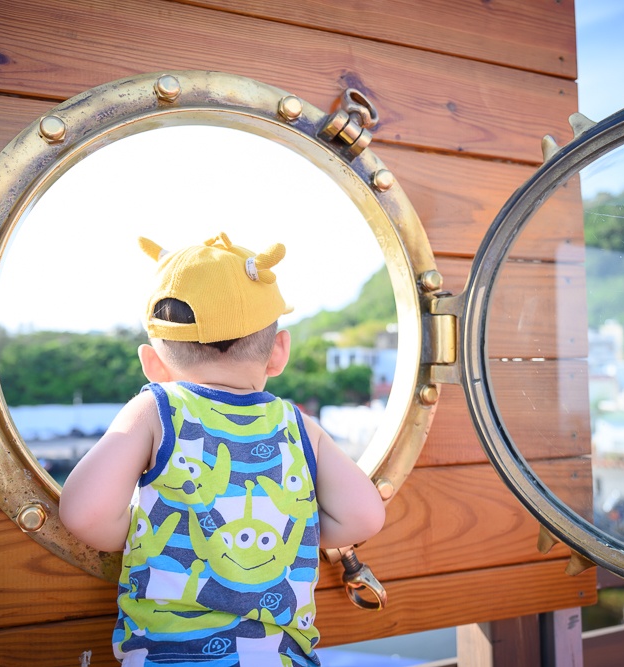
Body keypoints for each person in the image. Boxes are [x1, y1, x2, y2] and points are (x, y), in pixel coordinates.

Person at [60, 232, 386, 666]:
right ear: (279, 353)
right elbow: (365, 515)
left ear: (152, 364)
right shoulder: (300, 426)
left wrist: (150, 536)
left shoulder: (158, 408)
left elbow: (85, 513)